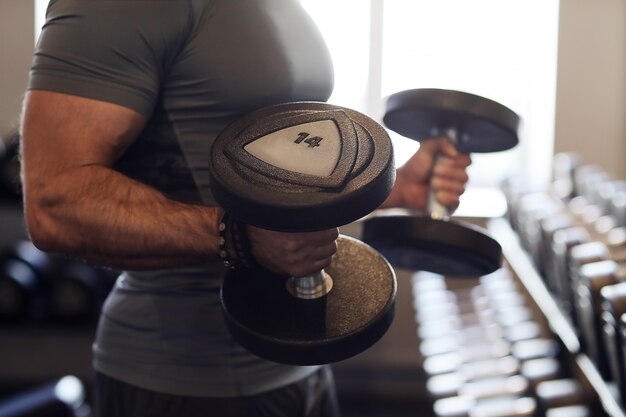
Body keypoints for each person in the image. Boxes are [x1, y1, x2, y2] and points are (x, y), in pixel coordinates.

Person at [20, 0, 472, 416]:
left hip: (302, 356)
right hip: (186, 381)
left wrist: (391, 190)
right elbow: (55, 201)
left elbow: (274, 168)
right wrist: (239, 237)